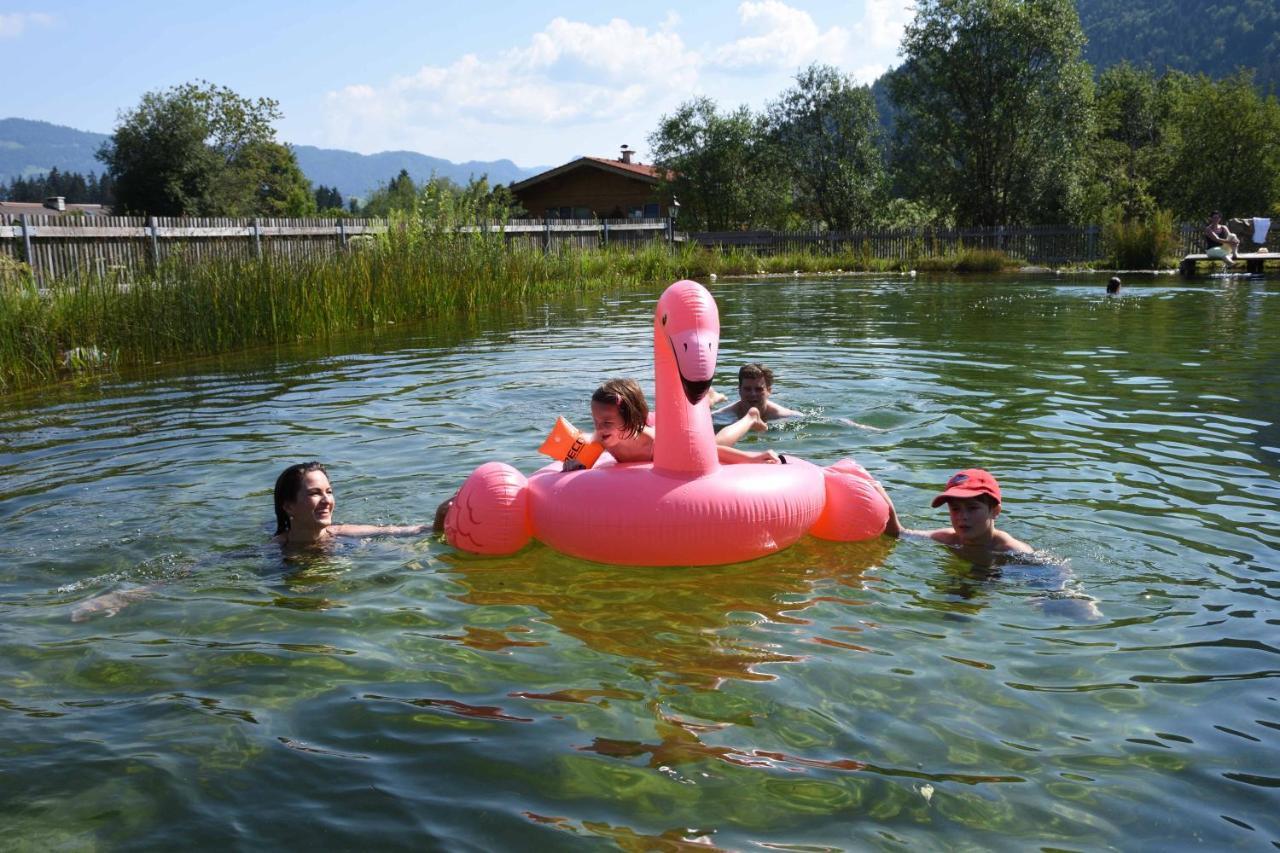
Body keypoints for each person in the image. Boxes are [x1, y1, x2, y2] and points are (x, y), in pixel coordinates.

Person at [564, 378, 778, 470]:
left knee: (710, 438)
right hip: (647, 420)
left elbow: (711, 451)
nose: (599, 428)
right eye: (596, 420)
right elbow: (581, 453)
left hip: (667, 430)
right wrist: (575, 463)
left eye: (606, 422)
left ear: (630, 422)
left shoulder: (654, 442)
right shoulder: (604, 436)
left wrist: (753, 459)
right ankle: (709, 399)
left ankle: (750, 416)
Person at [873, 468, 1032, 565]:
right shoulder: (949, 539)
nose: (963, 516)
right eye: (955, 509)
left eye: (972, 508)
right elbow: (899, 533)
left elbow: (1053, 571)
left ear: (995, 511)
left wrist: (1046, 596)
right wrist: (880, 494)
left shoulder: (1010, 550)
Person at [272, 462, 428, 546]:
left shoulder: (341, 533)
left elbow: (398, 531)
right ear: (288, 506)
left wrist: (439, 521)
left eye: (329, 492)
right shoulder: (274, 550)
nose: (327, 500)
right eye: (315, 493)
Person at [715, 363, 802, 424]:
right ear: (739, 390)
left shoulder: (784, 416)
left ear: (769, 391)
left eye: (758, 389)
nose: (753, 394)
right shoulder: (721, 416)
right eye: (747, 389)